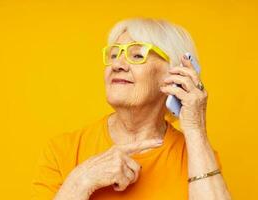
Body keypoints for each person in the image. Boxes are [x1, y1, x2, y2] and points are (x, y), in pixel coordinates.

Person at [31, 17, 231, 200]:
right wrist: (80, 182)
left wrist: (196, 129)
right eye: (114, 54)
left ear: (176, 75)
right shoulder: (61, 151)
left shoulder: (198, 156)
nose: (117, 64)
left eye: (137, 55)